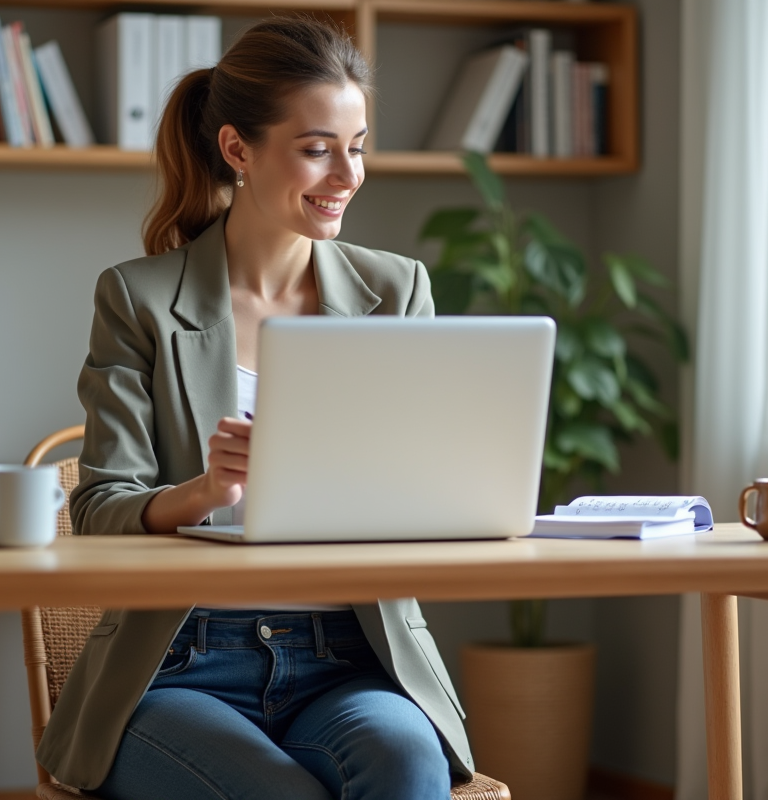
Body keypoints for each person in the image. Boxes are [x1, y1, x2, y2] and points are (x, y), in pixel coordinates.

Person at [35, 17, 473, 800]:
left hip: (350, 659)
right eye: (317, 148)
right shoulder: (137, 298)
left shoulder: (397, 292)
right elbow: (99, 506)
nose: (348, 174)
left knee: (409, 764)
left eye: (359, 146)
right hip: (179, 666)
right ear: (238, 149)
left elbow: (423, 491)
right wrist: (203, 495)